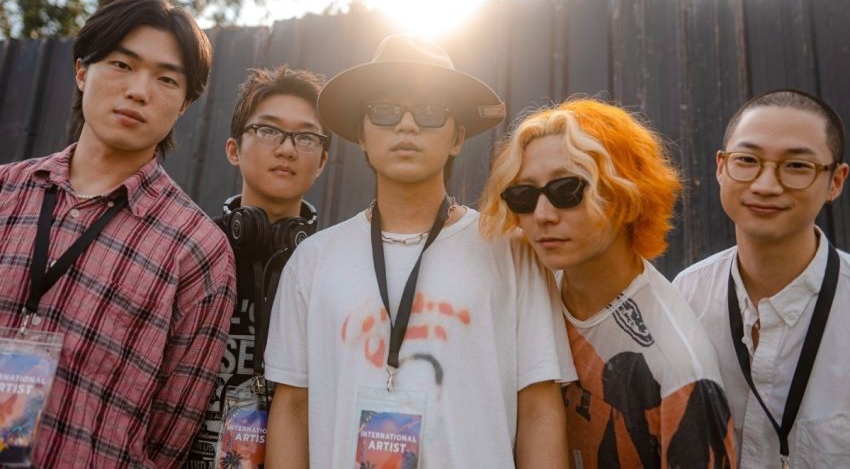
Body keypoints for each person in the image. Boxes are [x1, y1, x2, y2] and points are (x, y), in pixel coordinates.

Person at [263, 33, 575, 468]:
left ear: (457, 138)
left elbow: (539, 408)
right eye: (385, 111)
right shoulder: (312, 261)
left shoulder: (511, 251)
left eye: (430, 112)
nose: (407, 125)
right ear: (362, 135)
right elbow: (293, 408)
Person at [0, 0, 235, 467]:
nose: (139, 91)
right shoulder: (5, 191)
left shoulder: (197, 250)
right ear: (82, 71)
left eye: (166, 79)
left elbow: (169, 436)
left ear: (185, 104)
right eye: (122, 65)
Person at [480, 99, 736, 468]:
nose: (543, 215)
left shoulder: (679, 370)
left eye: (567, 190)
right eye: (524, 195)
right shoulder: (529, 287)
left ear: (627, 193)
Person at [673, 90, 850, 468]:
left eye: (797, 165)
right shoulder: (685, 296)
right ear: (721, 167)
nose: (766, 185)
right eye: (747, 160)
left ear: (836, 181)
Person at [187, 66, 329, 467]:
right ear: (234, 149)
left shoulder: (333, 266)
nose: (287, 149)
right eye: (268, 130)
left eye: (306, 137)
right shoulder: (190, 251)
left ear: (322, 161)